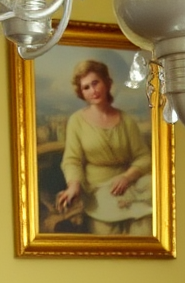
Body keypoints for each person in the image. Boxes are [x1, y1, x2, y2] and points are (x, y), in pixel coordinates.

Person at [55, 58, 152, 236]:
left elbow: (144, 156)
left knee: (145, 227)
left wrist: (127, 177)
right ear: (81, 93)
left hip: (129, 185)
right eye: (86, 87)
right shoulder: (77, 121)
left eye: (95, 83)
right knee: (107, 234)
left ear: (107, 83)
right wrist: (74, 185)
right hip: (97, 189)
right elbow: (72, 160)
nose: (93, 91)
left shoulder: (127, 121)